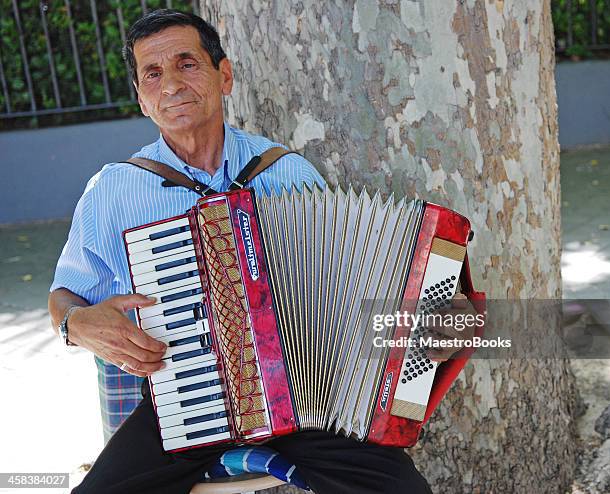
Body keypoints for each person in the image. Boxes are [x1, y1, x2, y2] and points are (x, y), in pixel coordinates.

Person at [49, 9, 470, 494]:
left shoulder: (285, 173)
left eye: (187, 64)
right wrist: (74, 324)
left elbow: (348, 287)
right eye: (152, 74)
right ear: (142, 99)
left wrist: (429, 325)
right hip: (184, 401)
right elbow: (64, 295)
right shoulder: (113, 190)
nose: (171, 84)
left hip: (304, 402)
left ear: (223, 76)